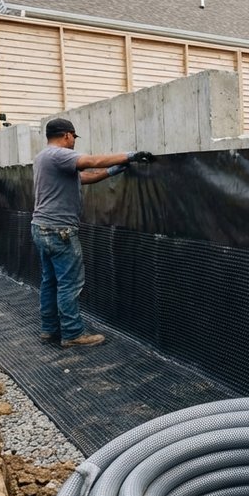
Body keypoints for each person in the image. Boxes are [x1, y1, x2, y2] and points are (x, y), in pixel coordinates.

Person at [33, 118, 154, 348]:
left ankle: (49, 330)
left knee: (50, 282)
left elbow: (83, 177)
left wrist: (112, 171)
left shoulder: (43, 157)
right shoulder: (60, 155)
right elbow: (91, 161)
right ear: (67, 135)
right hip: (60, 231)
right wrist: (129, 155)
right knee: (69, 283)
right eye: (73, 139)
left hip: (41, 227)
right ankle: (72, 334)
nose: (73, 143)